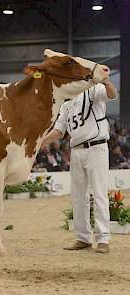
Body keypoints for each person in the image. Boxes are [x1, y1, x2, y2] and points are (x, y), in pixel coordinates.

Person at [42, 77, 117, 254]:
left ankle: (103, 238)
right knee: (78, 195)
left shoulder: (93, 89)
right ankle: (83, 237)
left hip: (96, 146)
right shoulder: (66, 103)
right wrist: (41, 142)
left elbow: (112, 94)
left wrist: (106, 82)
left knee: (99, 193)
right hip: (76, 149)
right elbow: (59, 131)